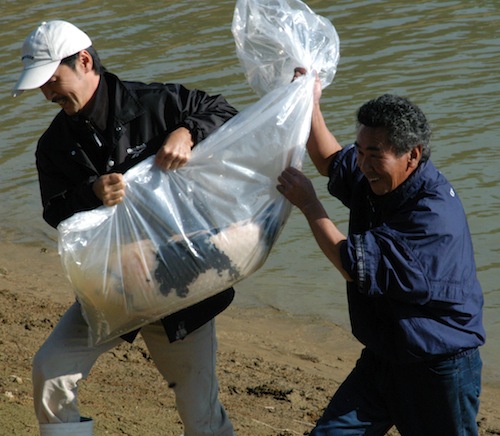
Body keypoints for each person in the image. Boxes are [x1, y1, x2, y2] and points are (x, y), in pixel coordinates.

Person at [12, 20, 237, 436]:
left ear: (83, 61)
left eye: (52, 80)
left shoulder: (159, 103)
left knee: (198, 411)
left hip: (181, 288)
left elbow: (227, 115)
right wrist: (90, 191)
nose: (47, 94)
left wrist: (188, 132)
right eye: (40, 85)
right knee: (50, 371)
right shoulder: (53, 145)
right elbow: (55, 212)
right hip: (110, 288)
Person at [277, 69, 485, 435]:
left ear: (412, 155)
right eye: (359, 151)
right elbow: (328, 160)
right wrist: (308, 101)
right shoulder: (380, 179)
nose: (363, 164)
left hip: (438, 367)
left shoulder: (432, 218)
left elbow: (352, 265)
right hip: (384, 356)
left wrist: (310, 205)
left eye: (375, 155)